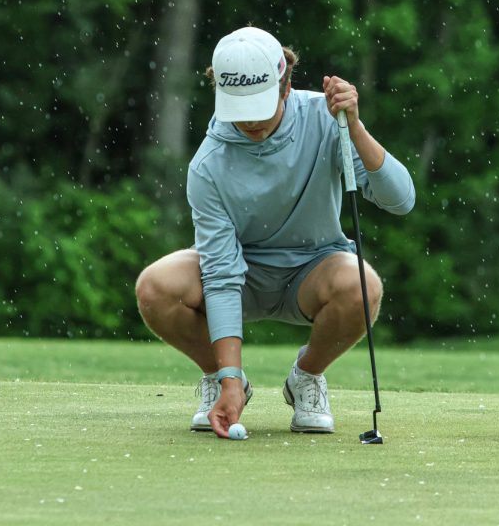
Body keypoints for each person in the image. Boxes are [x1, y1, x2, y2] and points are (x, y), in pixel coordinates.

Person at [135, 26, 415, 438]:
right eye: (239, 107)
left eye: (258, 105)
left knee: (362, 284)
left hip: (313, 271)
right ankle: (222, 384)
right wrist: (230, 375)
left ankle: (306, 378)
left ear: (286, 87)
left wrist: (354, 126)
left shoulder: (326, 118)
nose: (248, 120)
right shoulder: (208, 164)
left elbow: (400, 199)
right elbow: (221, 275)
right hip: (241, 276)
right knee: (154, 287)